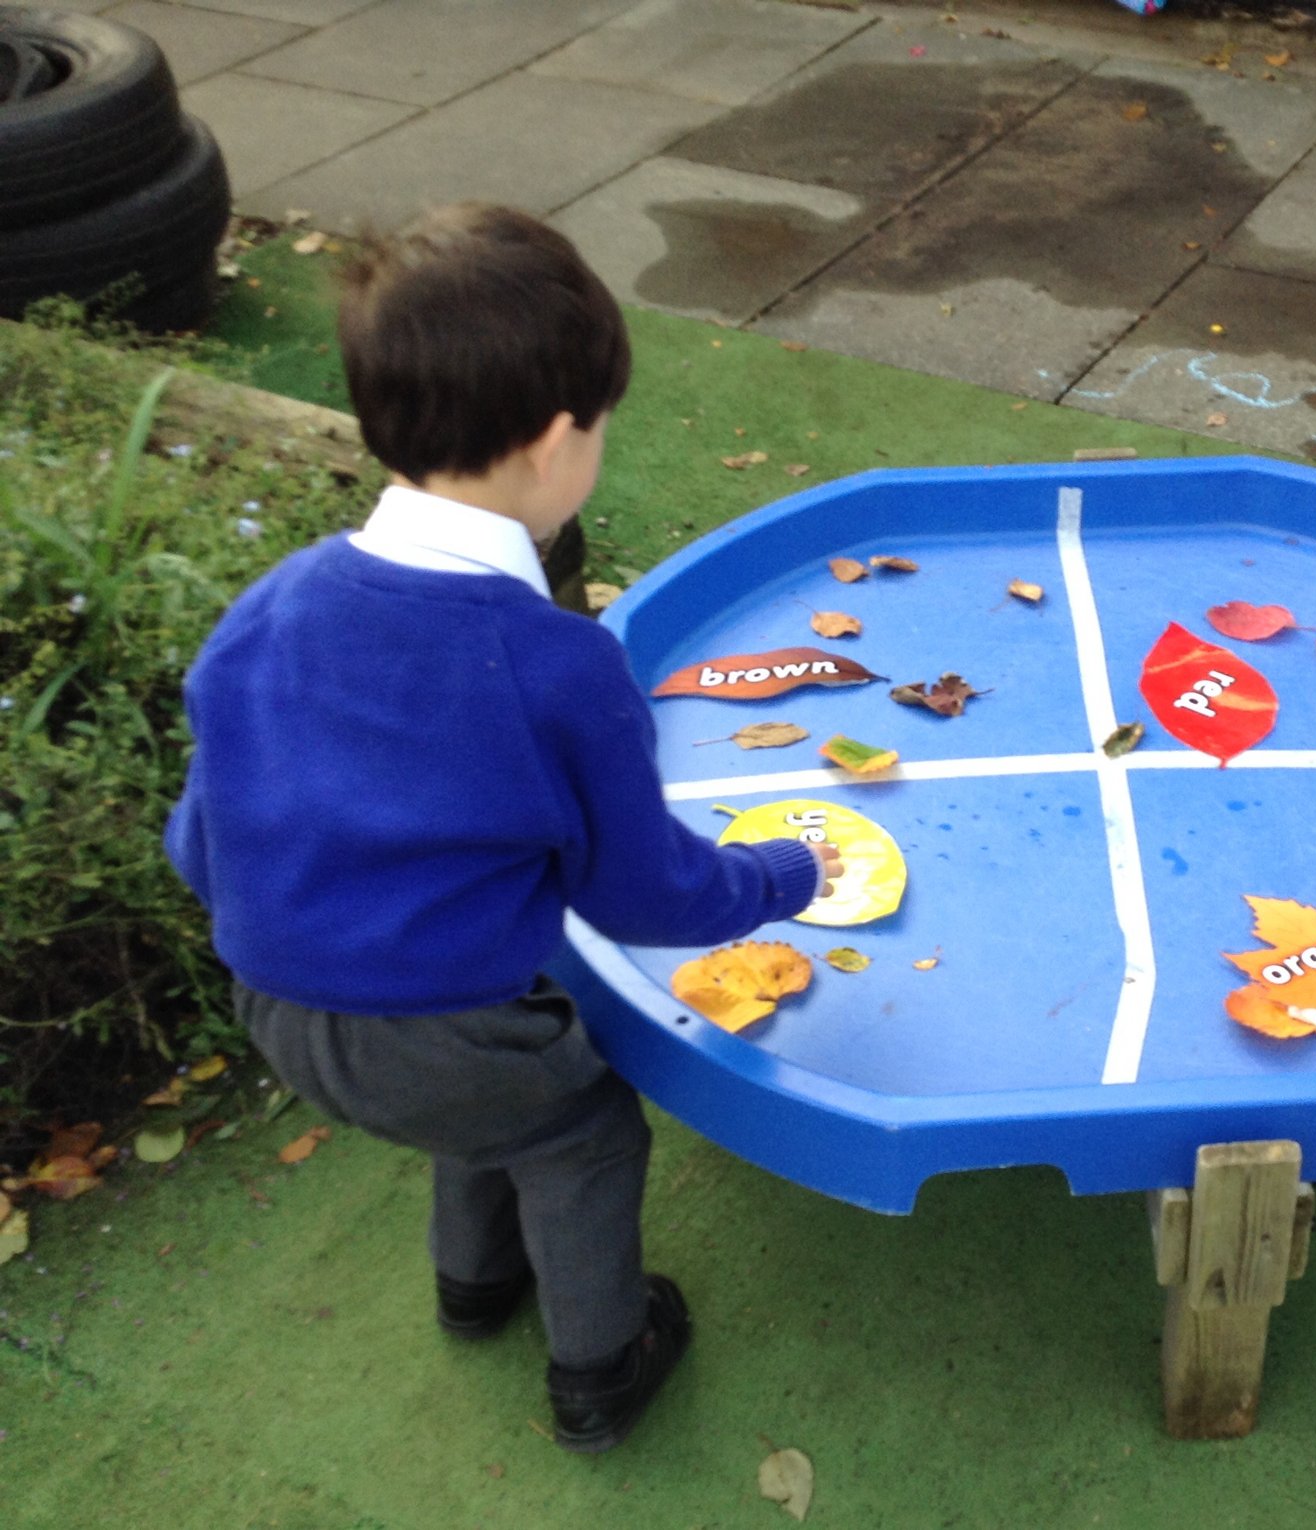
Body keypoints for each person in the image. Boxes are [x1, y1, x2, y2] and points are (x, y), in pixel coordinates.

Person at [164, 203, 839, 1453]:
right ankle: (600, 1366)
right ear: (550, 442)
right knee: (573, 1129)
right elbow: (646, 894)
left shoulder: (269, 606)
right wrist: (781, 875)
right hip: (441, 1031)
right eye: (599, 430)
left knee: (474, 1095)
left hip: (270, 1005)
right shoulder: (555, 665)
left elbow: (195, 841)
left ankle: (474, 1284)